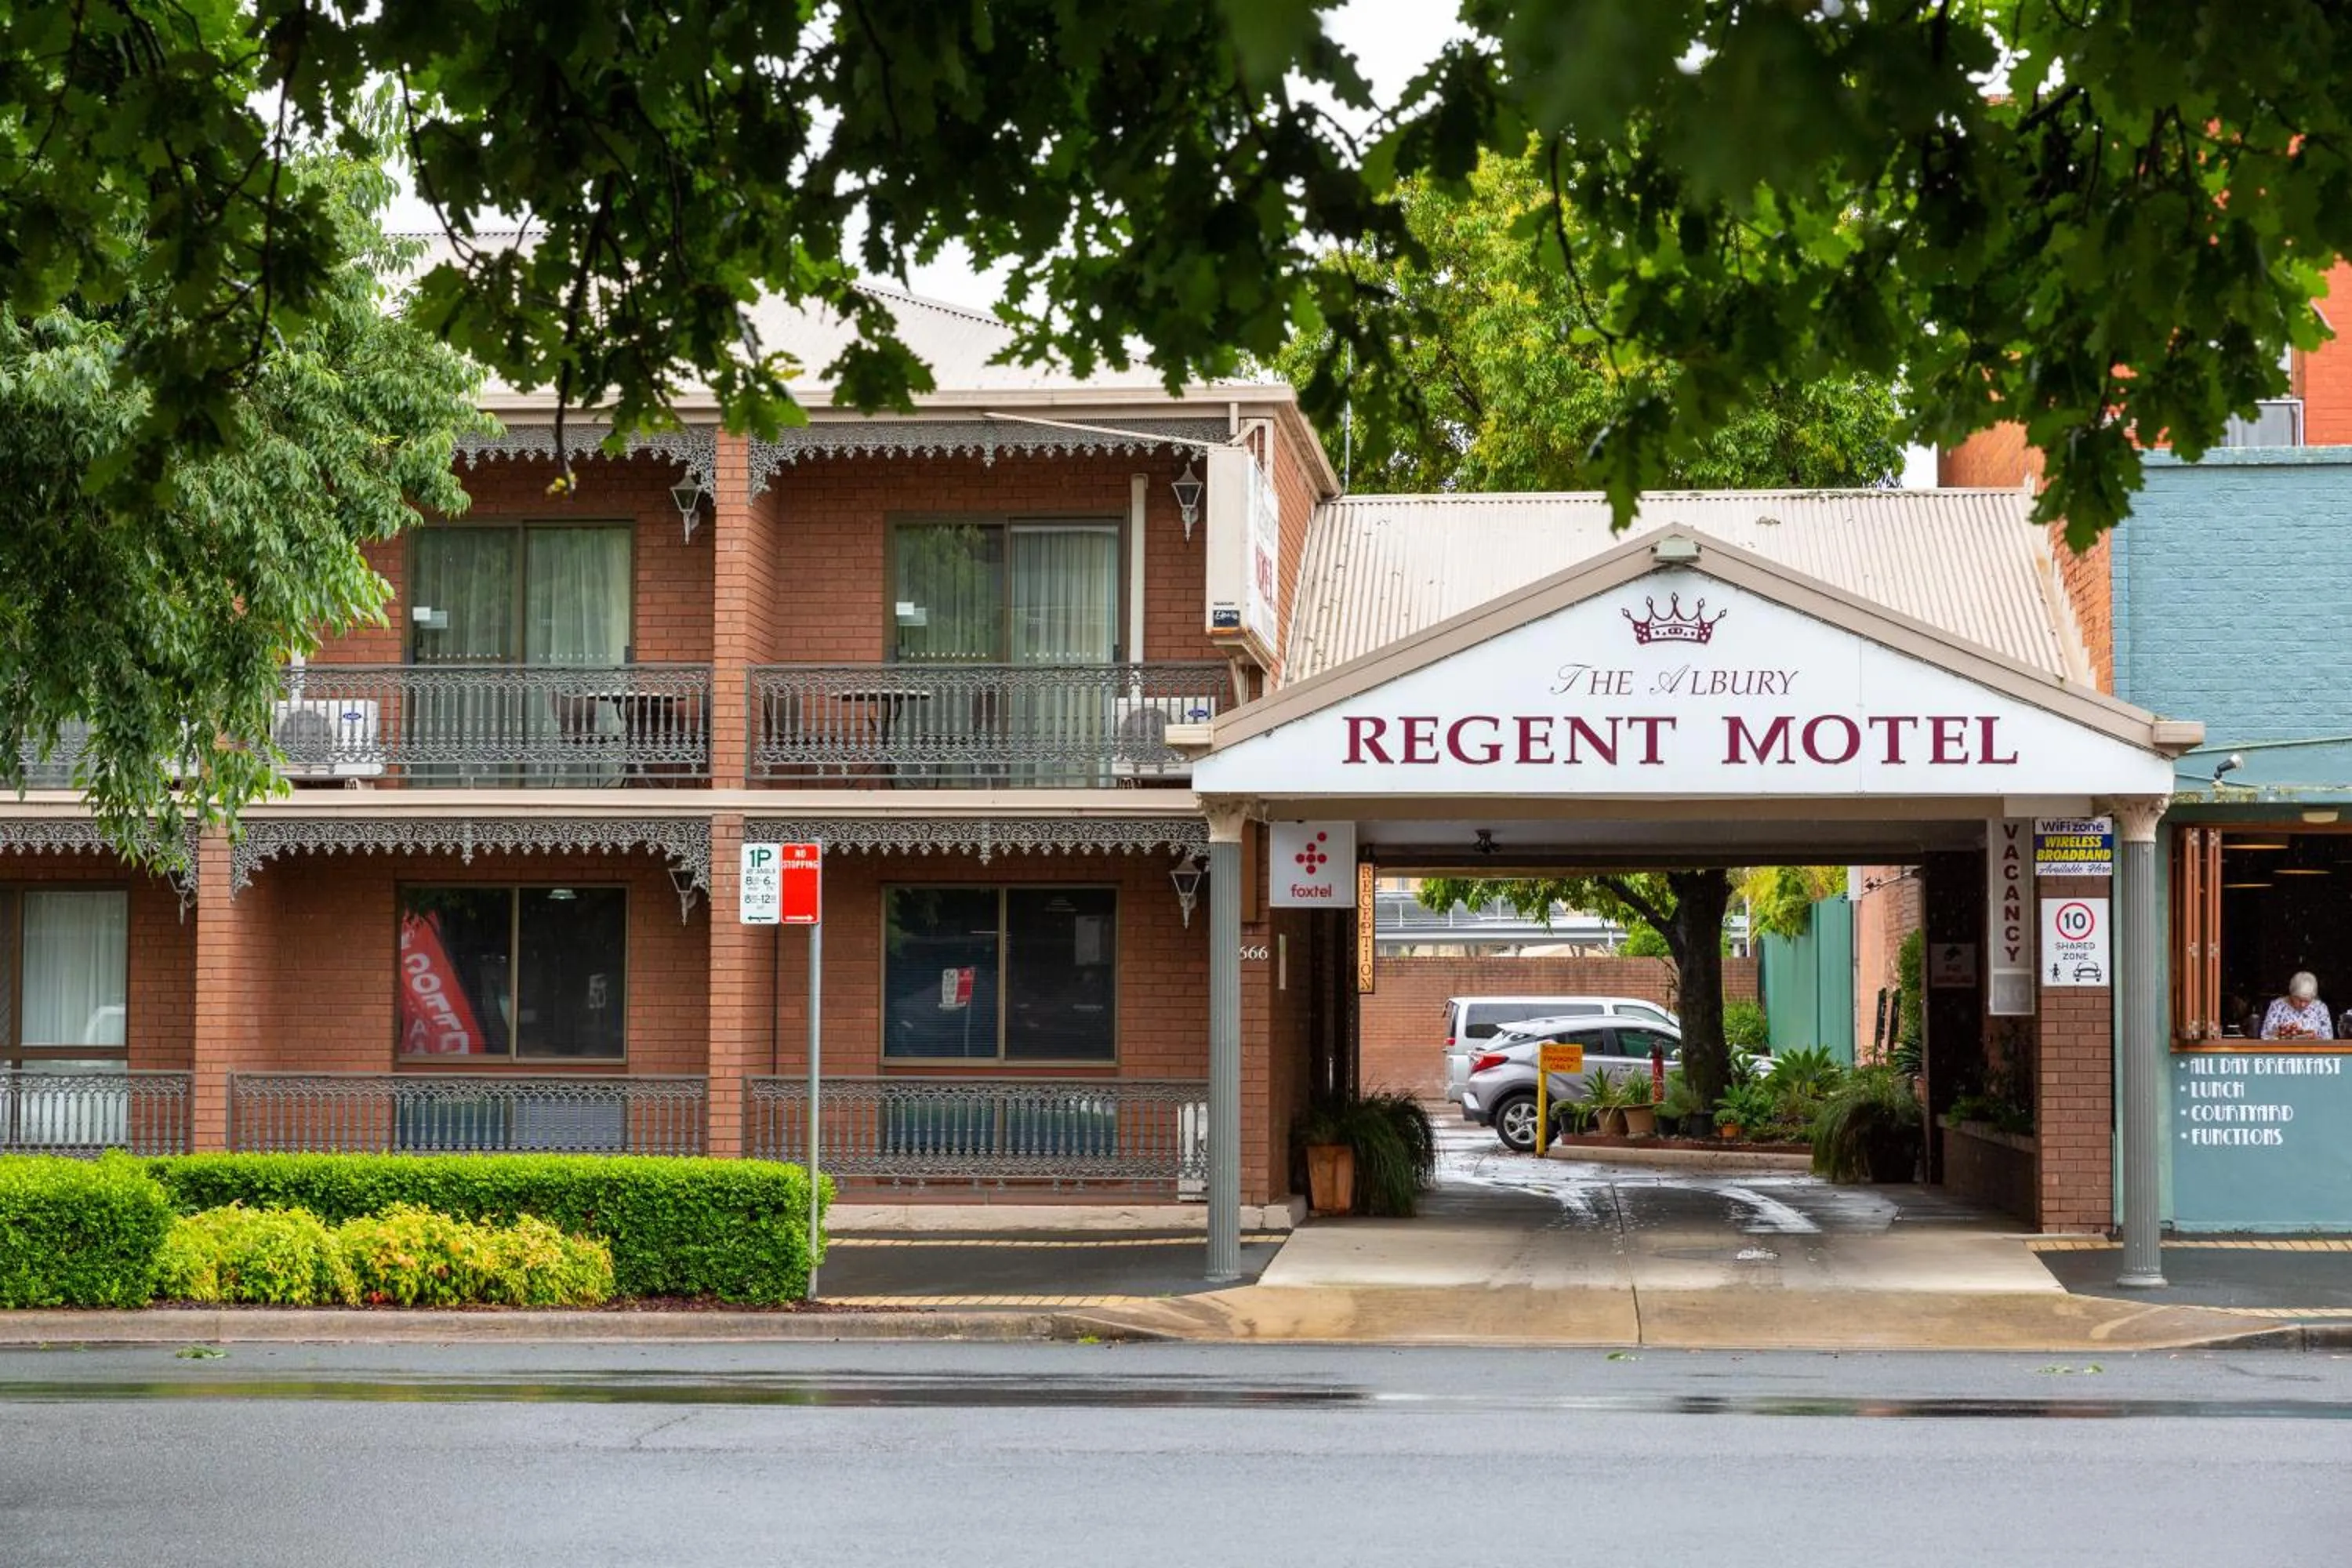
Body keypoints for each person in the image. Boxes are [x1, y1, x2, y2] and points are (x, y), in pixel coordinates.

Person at [2261, 972, 2333, 1040]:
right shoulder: (2277, 1006)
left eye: (2307, 1001)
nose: (2303, 1004)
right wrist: (2282, 1033)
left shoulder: (2320, 1008)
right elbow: (2265, 1036)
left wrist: (2315, 1037)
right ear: (2291, 994)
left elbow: (2329, 1039)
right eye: (2299, 1000)